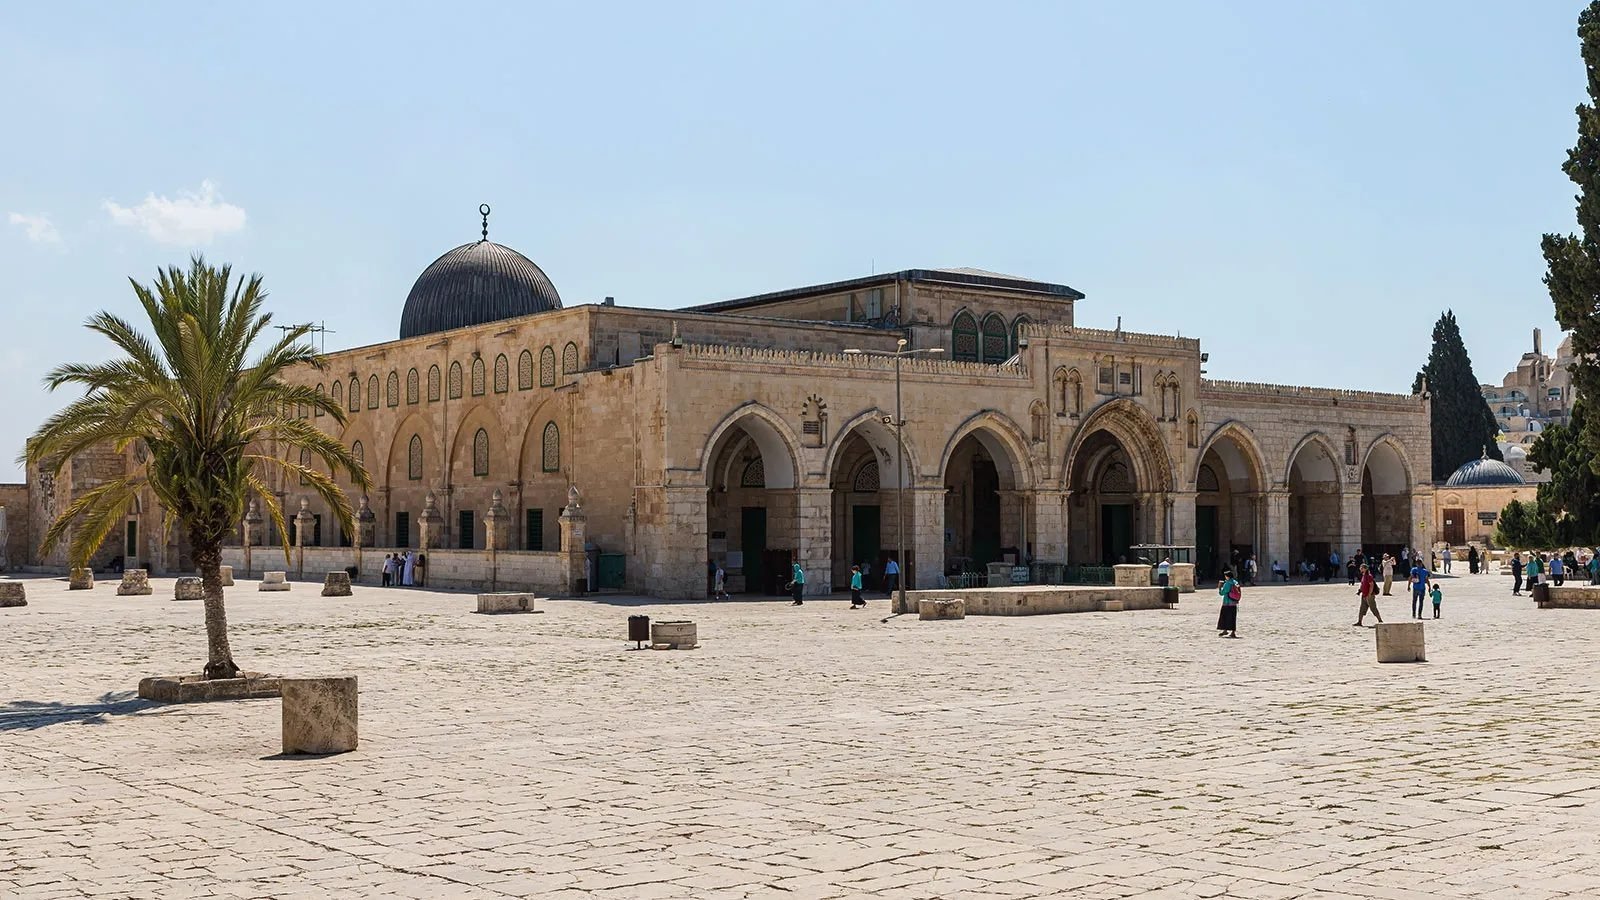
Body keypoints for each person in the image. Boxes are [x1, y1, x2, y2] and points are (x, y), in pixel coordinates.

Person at [1216, 569, 1241, 638]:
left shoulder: (1227, 583)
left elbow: (1222, 593)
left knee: (1224, 617)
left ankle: (1225, 630)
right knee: (1232, 618)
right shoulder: (1235, 582)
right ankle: (1233, 632)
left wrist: (1219, 587)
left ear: (1227, 576)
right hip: (1234, 603)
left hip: (1227, 603)